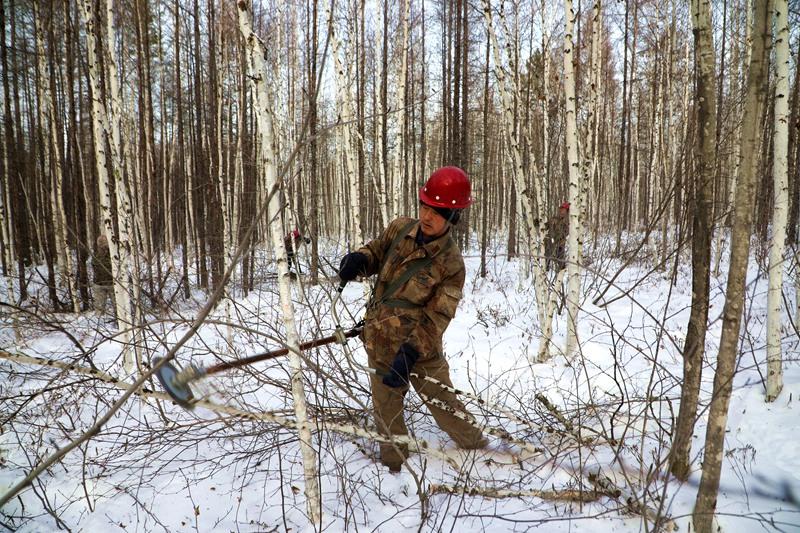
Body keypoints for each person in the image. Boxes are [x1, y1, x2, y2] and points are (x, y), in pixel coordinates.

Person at [338, 166, 488, 473]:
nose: (427, 216)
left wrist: (410, 352)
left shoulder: (451, 264)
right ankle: (394, 469)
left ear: (453, 216)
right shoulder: (399, 228)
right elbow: (376, 252)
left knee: (446, 407)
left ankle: (483, 453)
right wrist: (360, 259)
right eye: (425, 206)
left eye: (437, 212)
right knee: (386, 411)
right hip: (380, 340)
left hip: (420, 352)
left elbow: (438, 315)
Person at [92, 234, 115, 314]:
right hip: (101, 284)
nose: (103, 245)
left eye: (104, 243)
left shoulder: (113, 253)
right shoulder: (96, 254)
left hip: (109, 283)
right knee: (99, 309)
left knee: (118, 307)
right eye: (101, 243)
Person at [545, 201, 570, 272]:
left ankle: (562, 274)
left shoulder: (568, 221)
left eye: (564, 210)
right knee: (546, 259)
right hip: (549, 242)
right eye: (561, 209)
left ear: (567, 211)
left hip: (560, 244)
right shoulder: (554, 218)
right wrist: (538, 223)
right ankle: (546, 271)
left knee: (561, 262)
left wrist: (560, 239)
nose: (562, 211)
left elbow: (567, 232)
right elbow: (545, 226)